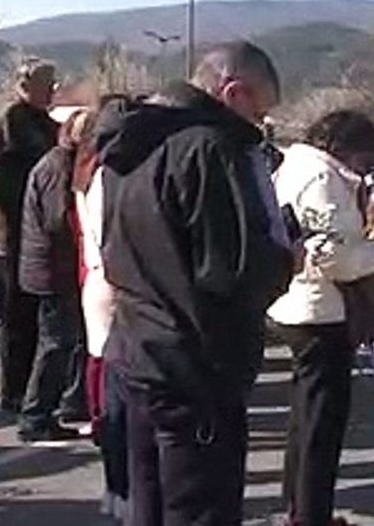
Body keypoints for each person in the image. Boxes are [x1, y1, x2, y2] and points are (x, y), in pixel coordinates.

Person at [96, 42, 294, 526]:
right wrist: (284, 256)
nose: (260, 125)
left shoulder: (128, 144)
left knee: (151, 504)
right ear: (233, 92)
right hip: (196, 361)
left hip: (137, 349)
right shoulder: (210, 148)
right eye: (259, 111)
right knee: (201, 507)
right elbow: (232, 268)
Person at [269, 110, 374, 526]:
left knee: (304, 417)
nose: (366, 168)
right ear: (344, 148)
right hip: (319, 308)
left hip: (297, 303)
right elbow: (334, 255)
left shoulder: (293, 167)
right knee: (322, 423)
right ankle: (312, 514)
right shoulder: (323, 179)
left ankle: (297, 507)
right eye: (364, 158)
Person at [0, 59, 59, 413]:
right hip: (14, 235)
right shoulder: (10, 122)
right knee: (17, 316)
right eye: (48, 84)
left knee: (35, 315)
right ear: (26, 86)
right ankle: (13, 391)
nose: (53, 91)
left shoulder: (43, 123)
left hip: (38, 234)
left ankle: (31, 386)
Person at [16, 108, 91, 443]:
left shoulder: (62, 163)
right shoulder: (59, 167)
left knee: (63, 342)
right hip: (52, 269)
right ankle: (35, 416)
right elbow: (58, 220)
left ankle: (54, 407)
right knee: (55, 344)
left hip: (51, 267)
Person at [74, 96, 132, 519]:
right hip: (115, 287)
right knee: (121, 394)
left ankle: (118, 488)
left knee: (112, 386)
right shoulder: (111, 175)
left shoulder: (87, 170)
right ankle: (123, 488)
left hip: (97, 282)